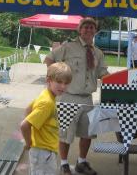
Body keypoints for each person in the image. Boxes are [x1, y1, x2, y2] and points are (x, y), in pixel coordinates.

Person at [44, 17, 109, 175]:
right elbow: (49, 59)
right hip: (69, 97)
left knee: (87, 133)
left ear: (95, 31)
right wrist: (57, 80)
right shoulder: (68, 47)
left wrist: (119, 80)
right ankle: (64, 164)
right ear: (79, 30)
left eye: (91, 27)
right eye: (85, 27)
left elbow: (103, 73)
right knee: (65, 133)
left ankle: (81, 162)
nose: (88, 30)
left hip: (87, 98)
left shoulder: (98, 53)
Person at [20, 62, 72, 175]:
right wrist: (28, 143)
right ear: (48, 80)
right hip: (43, 153)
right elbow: (24, 125)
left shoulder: (46, 95)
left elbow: (28, 110)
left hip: (43, 152)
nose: (63, 86)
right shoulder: (47, 103)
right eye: (59, 82)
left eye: (66, 83)